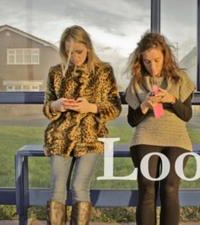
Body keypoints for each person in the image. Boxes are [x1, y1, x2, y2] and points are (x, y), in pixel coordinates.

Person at [42, 25, 121, 225]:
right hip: (60, 137)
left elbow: (115, 107)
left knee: (79, 187)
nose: (75, 57)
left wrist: (91, 107)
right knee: (57, 188)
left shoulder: (103, 71)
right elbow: (46, 106)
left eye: (79, 51)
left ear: (88, 47)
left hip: (90, 138)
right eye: (69, 52)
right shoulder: (56, 72)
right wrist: (56, 105)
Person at [125, 32, 195, 225]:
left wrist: (172, 100)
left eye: (156, 60)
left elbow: (187, 115)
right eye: (147, 61)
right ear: (141, 60)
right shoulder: (137, 82)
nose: (152, 66)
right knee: (147, 188)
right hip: (145, 136)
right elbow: (132, 120)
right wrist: (145, 106)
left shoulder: (181, 79)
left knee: (170, 188)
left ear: (165, 55)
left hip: (177, 138)